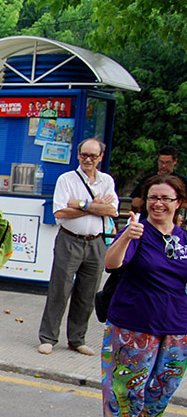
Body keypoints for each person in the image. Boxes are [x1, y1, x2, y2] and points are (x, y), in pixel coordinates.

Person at [101, 175, 187, 417]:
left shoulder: (182, 238)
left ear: (179, 204)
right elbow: (111, 264)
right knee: (127, 387)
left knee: (166, 385)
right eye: (153, 197)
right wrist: (126, 235)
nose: (158, 203)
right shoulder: (137, 232)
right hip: (135, 321)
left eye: (165, 198)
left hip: (177, 324)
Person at [37, 138, 118, 356]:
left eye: (93, 156)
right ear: (78, 155)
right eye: (84, 155)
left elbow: (112, 210)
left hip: (96, 242)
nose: (88, 160)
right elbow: (61, 212)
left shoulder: (106, 181)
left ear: (100, 157)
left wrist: (82, 204)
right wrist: (96, 207)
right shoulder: (67, 179)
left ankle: (77, 338)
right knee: (59, 290)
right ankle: (48, 337)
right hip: (69, 239)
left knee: (87, 293)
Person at [130, 146, 183, 215]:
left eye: (167, 163)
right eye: (161, 162)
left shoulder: (181, 181)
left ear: (175, 161)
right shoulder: (148, 179)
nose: (164, 166)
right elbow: (135, 200)